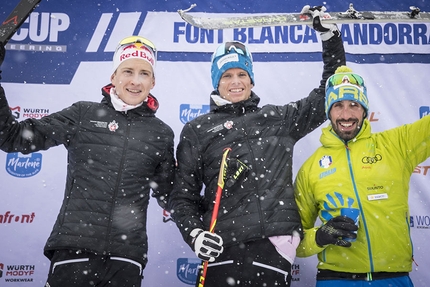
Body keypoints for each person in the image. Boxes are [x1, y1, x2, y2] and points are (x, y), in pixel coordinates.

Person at [168, 6, 346, 287]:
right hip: (223, 249)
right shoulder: (198, 129)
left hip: (272, 251)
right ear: (217, 82)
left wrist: (330, 40)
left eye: (241, 73)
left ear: (251, 78)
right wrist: (195, 234)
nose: (235, 82)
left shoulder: (278, 119)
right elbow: (182, 197)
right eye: (227, 75)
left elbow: (330, 91)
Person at [0, 36, 175, 286]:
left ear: (153, 81)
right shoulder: (84, 114)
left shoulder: (161, 133)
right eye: (128, 71)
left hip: (126, 259)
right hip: (74, 251)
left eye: (144, 73)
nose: (135, 81)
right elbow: (12, 138)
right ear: (113, 76)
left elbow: (172, 195)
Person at [294, 65, 430, 287]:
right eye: (338, 105)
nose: (346, 115)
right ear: (328, 110)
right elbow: (293, 242)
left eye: (354, 105)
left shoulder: (396, 145)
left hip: (392, 278)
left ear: (364, 109)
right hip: (335, 280)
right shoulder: (311, 168)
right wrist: (320, 236)